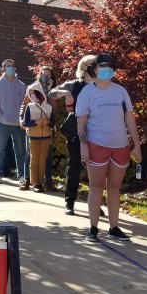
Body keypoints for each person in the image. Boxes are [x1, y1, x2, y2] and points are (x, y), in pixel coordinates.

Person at [76, 54, 142, 242]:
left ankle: (114, 228)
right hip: (96, 144)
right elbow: (81, 122)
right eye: (102, 67)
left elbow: (129, 119)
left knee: (114, 187)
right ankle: (93, 228)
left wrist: (136, 145)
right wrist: (84, 147)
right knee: (96, 186)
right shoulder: (87, 92)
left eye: (110, 67)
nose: (106, 70)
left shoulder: (121, 91)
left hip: (120, 145)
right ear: (94, 70)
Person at [57, 55, 95, 214]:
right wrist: (65, 93)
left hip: (96, 132)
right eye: (92, 64)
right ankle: (69, 202)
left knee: (96, 170)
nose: (95, 66)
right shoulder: (74, 85)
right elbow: (52, 92)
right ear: (84, 66)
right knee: (74, 167)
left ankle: (95, 203)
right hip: (76, 133)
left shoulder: (102, 86)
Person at [0, 58, 28, 184]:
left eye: (12, 65)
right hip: (2, 123)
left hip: (18, 124)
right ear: (3, 68)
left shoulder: (21, 86)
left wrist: (22, 119)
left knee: (20, 151)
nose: (11, 68)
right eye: (8, 66)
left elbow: (25, 104)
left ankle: (21, 175)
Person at [19, 82, 54, 192]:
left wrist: (47, 121)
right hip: (33, 135)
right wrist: (35, 122)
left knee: (43, 160)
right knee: (34, 160)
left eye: (35, 93)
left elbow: (53, 122)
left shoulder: (49, 107)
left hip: (46, 136)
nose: (33, 95)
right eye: (31, 93)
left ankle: (40, 182)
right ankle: (35, 183)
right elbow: (26, 122)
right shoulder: (29, 106)